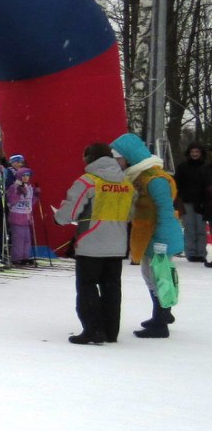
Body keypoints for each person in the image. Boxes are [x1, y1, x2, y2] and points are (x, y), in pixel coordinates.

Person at [54, 143, 131, 344]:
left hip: (91, 242)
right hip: (117, 243)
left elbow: (71, 211)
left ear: (89, 159)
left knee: (87, 286)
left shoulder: (88, 181)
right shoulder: (126, 182)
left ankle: (93, 330)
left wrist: (59, 218)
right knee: (112, 288)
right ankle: (111, 331)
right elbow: (132, 212)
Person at [111, 133, 184, 338]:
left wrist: (162, 240)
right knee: (150, 274)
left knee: (158, 276)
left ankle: (161, 322)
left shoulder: (154, 179)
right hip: (148, 234)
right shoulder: (139, 176)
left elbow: (164, 211)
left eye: (118, 158)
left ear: (128, 157)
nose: (117, 163)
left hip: (158, 236)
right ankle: (162, 314)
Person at [174, 143, 208, 263]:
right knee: (189, 228)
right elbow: (176, 183)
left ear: (201, 153)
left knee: (201, 229)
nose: (194, 154)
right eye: (192, 152)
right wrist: (178, 198)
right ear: (189, 153)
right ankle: (191, 253)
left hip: (202, 202)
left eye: (197, 152)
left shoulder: (206, 167)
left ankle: (201, 253)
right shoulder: (182, 167)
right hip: (186, 201)